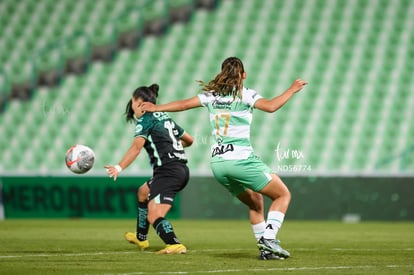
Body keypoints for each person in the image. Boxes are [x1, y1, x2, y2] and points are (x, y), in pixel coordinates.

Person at [141, 57, 308, 260]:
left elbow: (184, 105)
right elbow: (271, 107)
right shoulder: (246, 95)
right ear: (243, 75)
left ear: (222, 74)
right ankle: (269, 239)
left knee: (256, 202)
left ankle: (265, 251)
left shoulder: (212, 96)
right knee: (282, 195)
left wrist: (156, 108)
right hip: (241, 160)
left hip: (219, 165)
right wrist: (292, 88)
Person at [105, 83, 193, 254]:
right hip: (178, 169)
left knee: (154, 215)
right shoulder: (165, 117)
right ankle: (141, 238)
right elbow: (190, 140)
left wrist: (118, 167)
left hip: (168, 172)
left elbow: (136, 148)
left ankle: (174, 243)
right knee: (143, 192)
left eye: (132, 102)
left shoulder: (146, 119)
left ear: (139, 102)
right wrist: (171, 146)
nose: (131, 106)